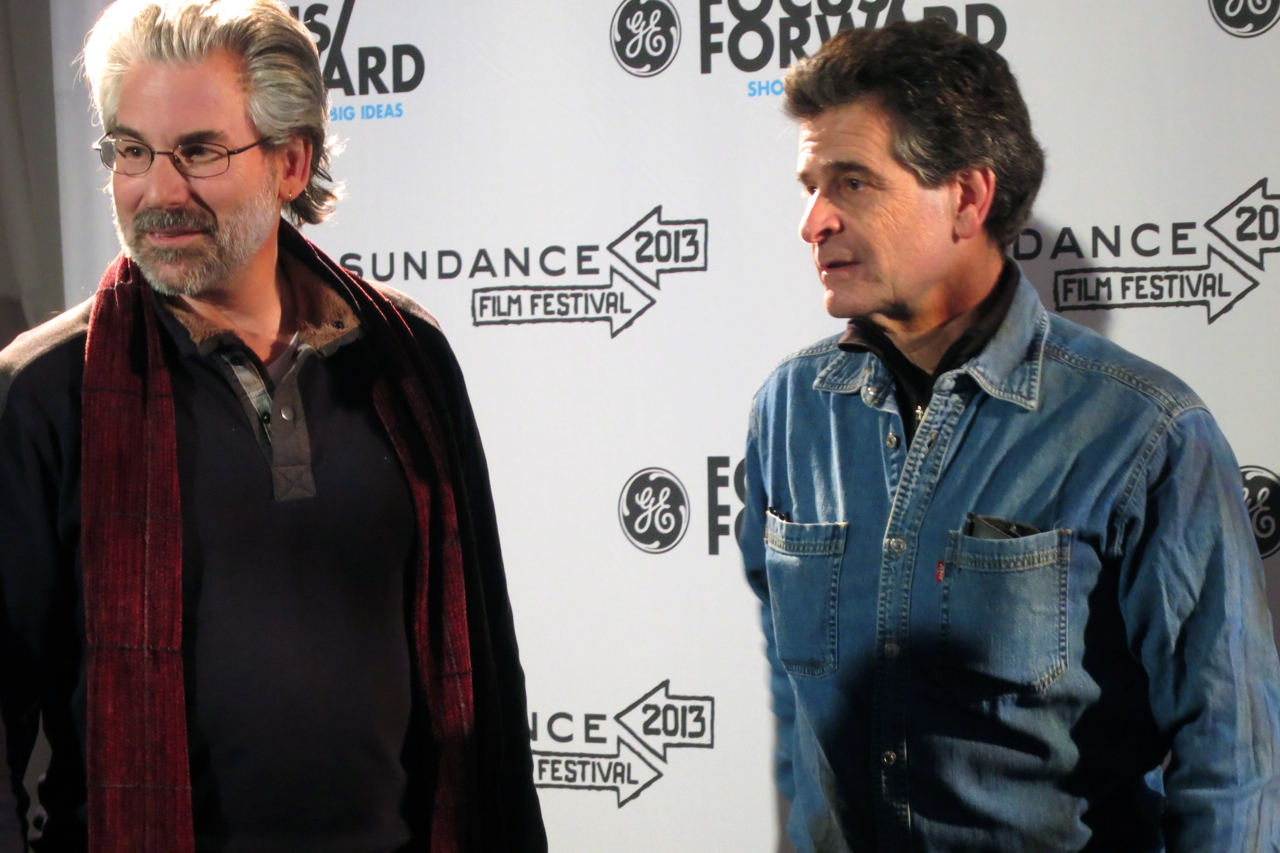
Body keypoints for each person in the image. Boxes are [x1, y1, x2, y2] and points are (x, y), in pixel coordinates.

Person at [0, 1, 545, 850]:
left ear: (291, 163)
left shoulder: (409, 359)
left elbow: (484, 662)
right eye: (132, 151)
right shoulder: (44, 390)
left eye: (200, 152)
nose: (159, 191)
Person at [739, 20, 1280, 853]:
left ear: (968, 197)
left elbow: (1233, 761)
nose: (813, 221)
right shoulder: (790, 411)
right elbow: (798, 711)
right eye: (811, 185)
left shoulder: (1144, 430)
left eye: (853, 182)